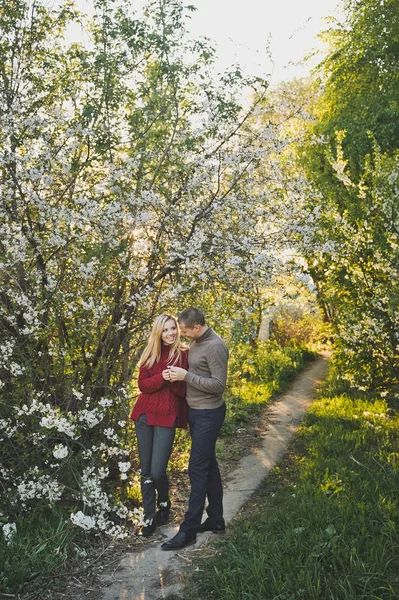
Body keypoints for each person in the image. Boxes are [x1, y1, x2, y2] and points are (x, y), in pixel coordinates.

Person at [161, 307, 229, 551]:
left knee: (197, 468)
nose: (183, 334)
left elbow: (219, 385)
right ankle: (216, 520)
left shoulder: (215, 346)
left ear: (197, 327)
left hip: (209, 414)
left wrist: (185, 376)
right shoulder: (198, 342)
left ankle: (188, 530)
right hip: (197, 413)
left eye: (185, 330)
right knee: (209, 465)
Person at [130, 313, 188, 537]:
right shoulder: (149, 354)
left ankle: (164, 503)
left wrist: (174, 380)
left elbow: (183, 392)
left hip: (167, 416)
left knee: (157, 471)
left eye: (173, 328)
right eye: (165, 330)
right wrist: (163, 377)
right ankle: (149, 517)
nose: (171, 333)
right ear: (158, 332)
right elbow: (143, 386)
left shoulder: (183, 355)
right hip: (144, 415)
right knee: (145, 471)